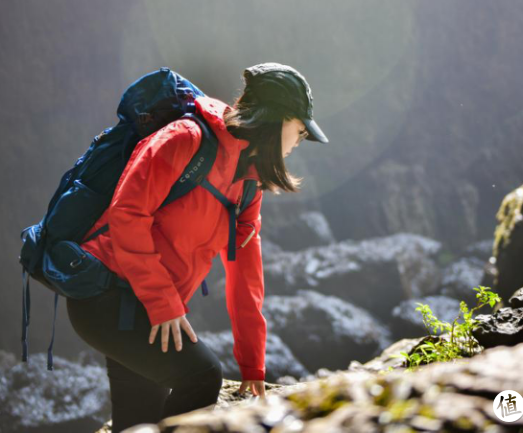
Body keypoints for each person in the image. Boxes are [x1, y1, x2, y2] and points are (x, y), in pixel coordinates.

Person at [66, 63, 329, 432]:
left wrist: (253, 364)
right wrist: (163, 304)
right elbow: (127, 215)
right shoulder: (184, 139)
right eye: (299, 132)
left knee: (138, 421)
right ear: (277, 118)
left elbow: (245, 274)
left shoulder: (248, 182)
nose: (299, 142)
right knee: (202, 376)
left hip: (147, 309)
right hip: (104, 297)